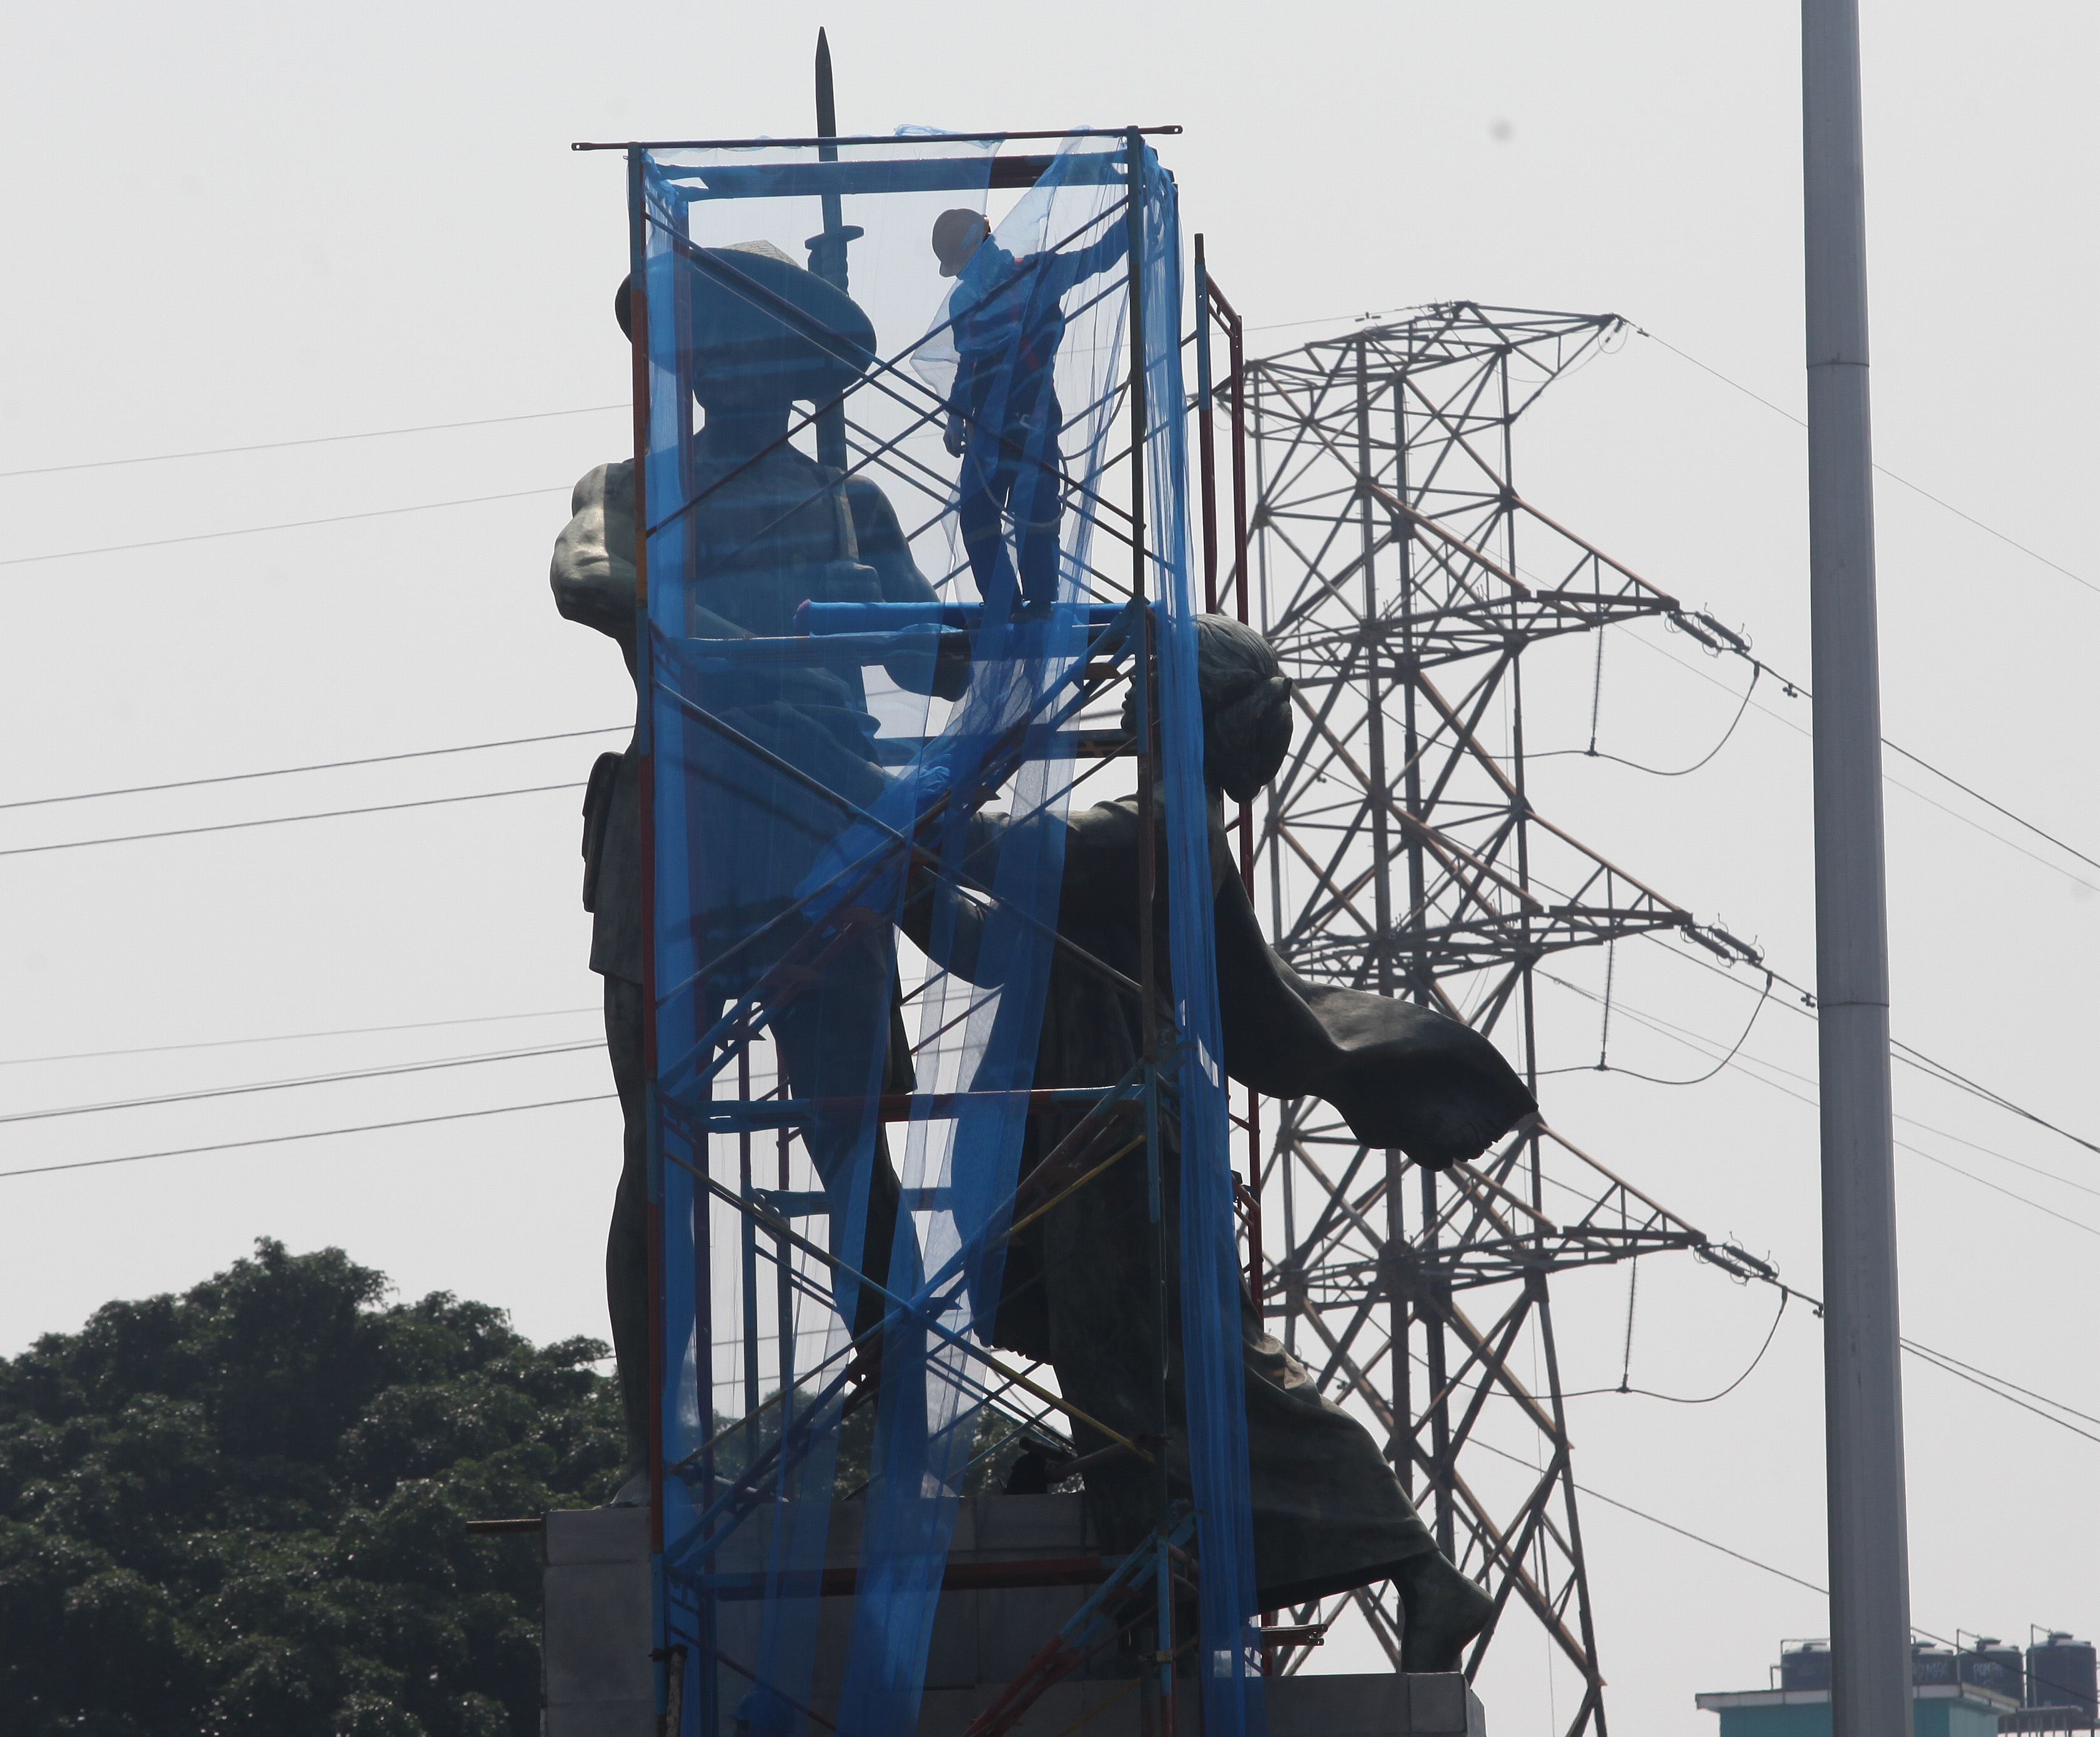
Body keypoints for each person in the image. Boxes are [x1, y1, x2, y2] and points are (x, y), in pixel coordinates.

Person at [897, 615, 1529, 1669]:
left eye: (1146, 680)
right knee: (1118, 1367)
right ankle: (1174, 1568)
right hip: (1084, 1119)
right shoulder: (1153, 825)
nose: (1126, 698)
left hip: (1120, 1132)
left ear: (1178, 707)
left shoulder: (1152, 826)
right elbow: (983, 943)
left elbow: (1008, 861)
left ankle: (1414, 1565)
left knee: (1197, 1366)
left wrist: (932, 781)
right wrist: (915, 864)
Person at [551, 241, 967, 1500]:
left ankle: (905, 1437)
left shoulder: (855, 507)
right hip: (675, 832)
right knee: (655, 1147)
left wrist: (890, 609)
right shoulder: (627, 488)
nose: (725, 366)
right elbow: (591, 578)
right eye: (707, 340)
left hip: (814, 828)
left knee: (847, 1140)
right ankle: (649, 1456)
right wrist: (744, 637)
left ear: (797, 367)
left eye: (753, 342)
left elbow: (940, 665)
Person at [933, 205, 1132, 617]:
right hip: (988, 427)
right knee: (977, 514)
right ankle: (1004, 604)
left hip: (1031, 417)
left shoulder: (1037, 274)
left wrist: (1136, 211)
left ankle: (1040, 603)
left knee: (1035, 514)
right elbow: (968, 366)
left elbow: (1098, 256)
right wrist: (956, 414)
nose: (964, 276)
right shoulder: (966, 301)